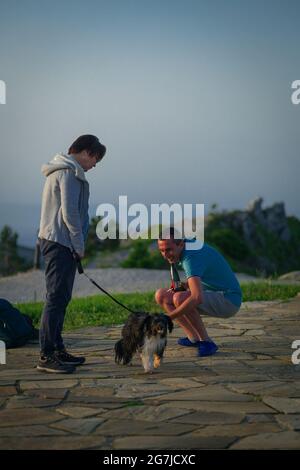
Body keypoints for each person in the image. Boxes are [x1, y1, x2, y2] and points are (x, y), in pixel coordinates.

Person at [37, 134, 106, 373]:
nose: (95, 165)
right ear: (87, 152)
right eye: (95, 159)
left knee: (60, 298)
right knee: (56, 299)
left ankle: (57, 349)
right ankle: (47, 355)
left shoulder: (63, 170)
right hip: (61, 243)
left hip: (57, 242)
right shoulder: (68, 173)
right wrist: (79, 245)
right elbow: (70, 214)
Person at [155, 229, 242, 357]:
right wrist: (185, 285)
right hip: (214, 292)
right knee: (161, 295)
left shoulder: (191, 257)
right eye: (161, 251)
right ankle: (193, 338)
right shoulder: (186, 247)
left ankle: (206, 342)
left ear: (181, 244)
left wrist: (168, 318)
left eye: (168, 250)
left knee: (180, 298)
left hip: (229, 300)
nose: (165, 255)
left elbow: (197, 297)